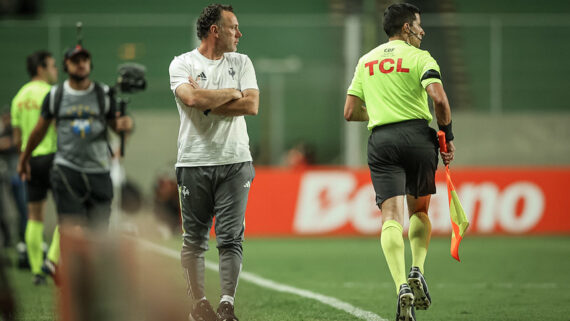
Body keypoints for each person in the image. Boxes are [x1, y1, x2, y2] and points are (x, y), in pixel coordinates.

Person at [343, 3, 455, 321]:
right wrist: (447, 134)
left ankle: (400, 286)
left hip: (382, 141)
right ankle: (417, 269)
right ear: (406, 28)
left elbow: (350, 112)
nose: (422, 31)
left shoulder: (366, 62)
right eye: (418, 25)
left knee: (390, 215)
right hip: (418, 137)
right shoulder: (421, 58)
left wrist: (379, 111)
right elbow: (439, 99)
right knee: (418, 211)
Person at [169, 4, 259, 321]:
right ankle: (199, 306)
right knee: (194, 239)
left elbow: (251, 105)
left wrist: (211, 99)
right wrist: (232, 93)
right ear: (215, 31)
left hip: (236, 161)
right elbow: (191, 99)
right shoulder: (182, 63)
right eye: (234, 27)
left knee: (231, 237)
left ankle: (227, 306)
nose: (240, 33)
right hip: (193, 161)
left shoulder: (242, 61)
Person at [17, 45, 133, 234]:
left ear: (90, 64)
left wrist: (125, 127)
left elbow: (116, 125)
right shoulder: (56, 95)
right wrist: (24, 159)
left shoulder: (102, 94)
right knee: (72, 231)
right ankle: (65, 263)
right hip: (67, 171)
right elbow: (38, 131)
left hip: (99, 171)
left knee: (99, 234)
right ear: (66, 65)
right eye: (76, 61)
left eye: (85, 60)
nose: (81, 65)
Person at [11, 50, 60, 285]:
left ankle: (36, 271)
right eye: (52, 66)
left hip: (30, 161)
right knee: (69, 213)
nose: (55, 71)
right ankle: (51, 259)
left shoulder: (19, 97)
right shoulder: (50, 93)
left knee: (34, 216)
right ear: (40, 69)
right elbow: (59, 127)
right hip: (53, 156)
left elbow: (18, 136)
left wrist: (23, 161)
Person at [0, 108, 28, 269]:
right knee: (5, 211)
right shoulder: (5, 132)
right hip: (7, 179)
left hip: (19, 178)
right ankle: (10, 240)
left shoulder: (16, 131)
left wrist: (7, 144)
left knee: (23, 210)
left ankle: (23, 240)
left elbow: (14, 145)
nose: (6, 121)